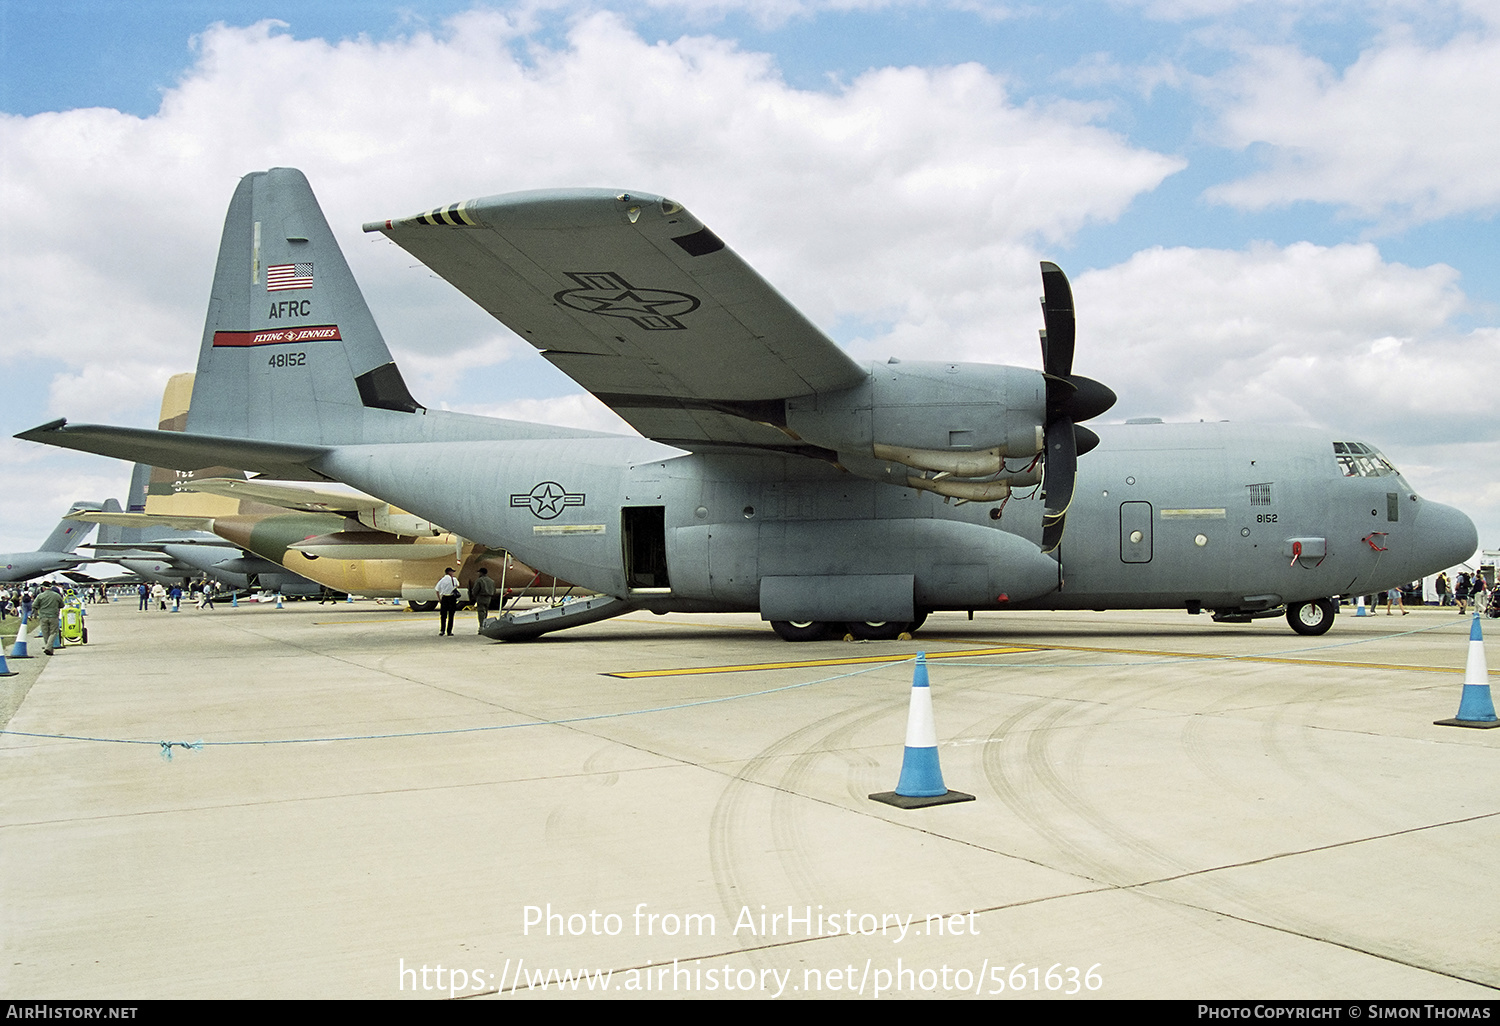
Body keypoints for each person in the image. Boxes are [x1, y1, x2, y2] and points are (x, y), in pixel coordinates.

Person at [32, 583, 64, 656]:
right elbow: (62, 605)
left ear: (43, 588)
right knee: (53, 632)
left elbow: (34, 605)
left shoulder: (40, 596)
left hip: (43, 616)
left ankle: (48, 647)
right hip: (53, 616)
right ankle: (49, 648)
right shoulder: (56, 595)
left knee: (45, 633)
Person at [436, 567, 460, 637]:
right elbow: (458, 585)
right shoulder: (454, 579)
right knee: (451, 615)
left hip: (444, 598)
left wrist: (439, 599)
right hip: (451, 598)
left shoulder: (442, 580)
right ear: (449, 572)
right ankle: (449, 631)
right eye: (452, 572)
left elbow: (437, 590)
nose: (453, 573)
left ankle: (442, 630)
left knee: (443, 615)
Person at [473, 566, 497, 632]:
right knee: (486, 612)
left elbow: (475, 590)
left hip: (481, 597)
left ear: (481, 573)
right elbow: (494, 590)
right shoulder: (491, 581)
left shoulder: (479, 580)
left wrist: (474, 595)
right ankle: (485, 625)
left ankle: (481, 626)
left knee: (481, 612)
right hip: (488, 598)